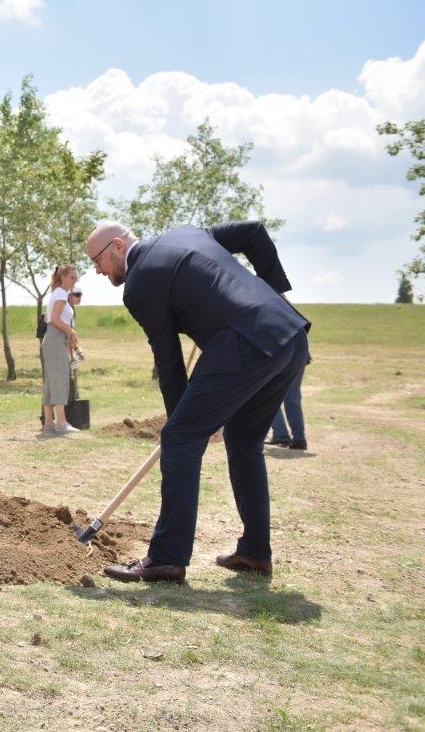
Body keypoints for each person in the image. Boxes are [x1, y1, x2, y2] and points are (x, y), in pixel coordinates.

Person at [85, 220, 309, 583]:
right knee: (244, 442)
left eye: (97, 260)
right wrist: (276, 293)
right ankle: (255, 551)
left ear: (116, 246)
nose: (96, 270)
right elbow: (254, 232)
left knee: (180, 439)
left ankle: (166, 558)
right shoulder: (188, 231)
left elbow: (169, 359)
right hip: (290, 335)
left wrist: (179, 426)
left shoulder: (139, 283)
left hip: (244, 344)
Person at [41, 265, 81, 435]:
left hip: (54, 339)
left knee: (51, 381)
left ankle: (49, 424)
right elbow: (55, 318)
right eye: (72, 277)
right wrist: (71, 331)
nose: (74, 280)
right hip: (55, 338)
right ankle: (62, 423)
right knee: (60, 379)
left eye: (76, 277)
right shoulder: (61, 294)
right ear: (63, 277)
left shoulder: (58, 293)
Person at [266, 355, 309, 451]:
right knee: (292, 397)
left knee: (269, 397)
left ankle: (281, 434)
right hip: (299, 352)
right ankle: (298, 438)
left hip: (279, 355)